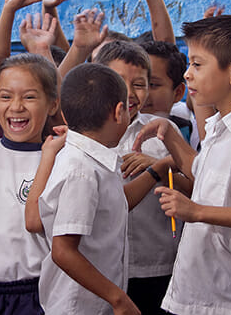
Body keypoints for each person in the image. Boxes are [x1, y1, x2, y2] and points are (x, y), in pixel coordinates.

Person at [133, 15, 231, 314]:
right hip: (201, 295)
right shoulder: (222, 126)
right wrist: (170, 136)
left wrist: (196, 211)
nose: (187, 75)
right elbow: (203, 172)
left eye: (197, 64)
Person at [37, 63, 170, 315]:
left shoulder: (94, 160)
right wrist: (118, 298)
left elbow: (117, 203)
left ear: (65, 114)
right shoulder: (82, 170)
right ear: (120, 112)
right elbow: (63, 251)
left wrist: (157, 170)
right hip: (77, 305)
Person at [94, 40, 189, 314]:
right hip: (104, 270)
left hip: (159, 264)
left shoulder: (162, 130)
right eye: (118, 80)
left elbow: (196, 187)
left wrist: (162, 167)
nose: (129, 92)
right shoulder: (87, 135)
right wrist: (154, 172)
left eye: (139, 83)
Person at [139, 40, 194, 145]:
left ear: (178, 93)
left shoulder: (186, 132)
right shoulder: (112, 130)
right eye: (137, 84)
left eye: (153, 85)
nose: (142, 93)